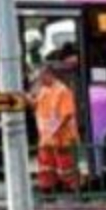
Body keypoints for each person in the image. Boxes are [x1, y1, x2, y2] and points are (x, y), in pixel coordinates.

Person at [33, 50, 80, 197]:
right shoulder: (44, 90)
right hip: (47, 138)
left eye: (41, 77)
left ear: (49, 75)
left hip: (63, 137)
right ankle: (48, 189)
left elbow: (67, 115)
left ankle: (72, 190)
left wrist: (54, 130)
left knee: (66, 166)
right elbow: (36, 105)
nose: (39, 80)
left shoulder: (62, 91)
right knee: (47, 166)